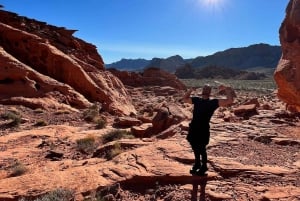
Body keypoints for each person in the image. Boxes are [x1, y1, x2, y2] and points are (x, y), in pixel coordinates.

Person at [182, 84, 235, 176]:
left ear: (209, 92)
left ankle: (204, 166)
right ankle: (197, 164)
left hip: (203, 128)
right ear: (202, 90)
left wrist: (226, 89)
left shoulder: (214, 102)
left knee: (202, 148)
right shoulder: (197, 100)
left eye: (208, 89)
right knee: (194, 146)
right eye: (205, 88)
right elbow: (185, 99)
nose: (206, 90)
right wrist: (190, 90)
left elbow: (230, 100)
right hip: (194, 127)